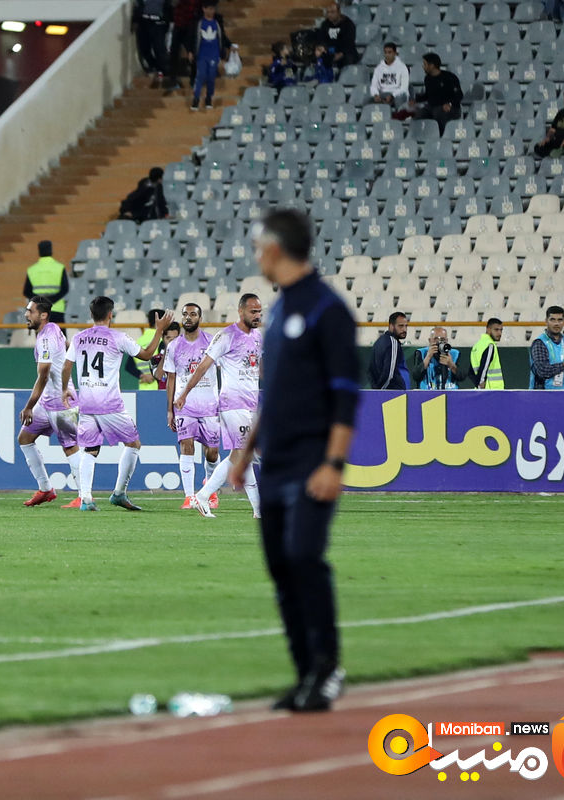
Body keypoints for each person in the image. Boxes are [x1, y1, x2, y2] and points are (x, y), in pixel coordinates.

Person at [229, 209, 359, 713]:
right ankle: (305, 672)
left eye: (258, 247)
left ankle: (327, 668)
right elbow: (275, 391)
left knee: (305, 557)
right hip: (276, 461)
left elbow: (346, 395)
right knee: (281, 567)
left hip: (312, 459)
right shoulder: (280, 310)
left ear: (275, 248)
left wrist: (334, 464)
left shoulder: (328, 309)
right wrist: (245, 454)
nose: (256, 256)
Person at [61, 296, 173, 511]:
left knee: (89, 450)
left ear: (91, 314)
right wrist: (159, 330)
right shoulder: (118, 337)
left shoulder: (79, 338)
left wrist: (65, 388)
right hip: (110, 404)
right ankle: (119, 493)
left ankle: (86, 498)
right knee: (133, 444)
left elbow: (66, 366)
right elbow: (146, 355)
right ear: (110, 315)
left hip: (87, 404)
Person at [176, 295, 263, 518]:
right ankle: (203, 496)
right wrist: (185, 393)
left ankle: (258, 509)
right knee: (241, 453)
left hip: (250, 403)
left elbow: (258, 368)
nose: (257, 315)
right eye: (253, 311)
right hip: (232, 403)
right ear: (240, 311)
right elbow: (203, 366)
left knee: (244, 454)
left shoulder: (257, 336)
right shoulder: (226, 336)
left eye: (259, 311)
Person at [18, 295, 84, 509]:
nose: (26, 314)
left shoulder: (45, 339)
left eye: (31, 311)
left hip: (62, 404)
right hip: (46, 403)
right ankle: (46, 489)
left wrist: (28, 406)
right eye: (27, 310)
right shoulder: (54, 328)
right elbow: (67, 346)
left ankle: (84, 496)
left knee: (70, 447)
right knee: (25, 438)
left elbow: (44, 375)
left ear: (43, 315)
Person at [162, 303, 221, 509]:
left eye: (193, 314)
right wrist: (169, 410)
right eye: (185, 314)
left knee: (212, 452)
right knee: (186, 447)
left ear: (200, 318)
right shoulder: (174, 346)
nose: (188, 318)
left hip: (210, 405)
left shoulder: (212, 342)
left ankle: (210, 489)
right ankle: (189, 497)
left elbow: (223, 370)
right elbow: (171, 379)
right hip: (184, 406)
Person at [189, 0, 229, 111]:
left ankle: (208, 98)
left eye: (213, 9)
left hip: (214, 55)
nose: (212, 11)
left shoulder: (217, 23)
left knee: (211, 77)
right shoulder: (198, 23)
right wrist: (190, 51)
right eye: (210, 9)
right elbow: (192, 37)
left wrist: (226, 50)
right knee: (200, 76)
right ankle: (196, 99)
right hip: (202, 55)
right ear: (204, 9)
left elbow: (222, 38)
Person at [529, 305, 564, 390]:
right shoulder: (540, 342)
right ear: (546, 321)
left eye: (560, 320)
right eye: (552, 320)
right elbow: (542, 370)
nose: (556, 323)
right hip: (544, 393)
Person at [410, 54, 462, 134]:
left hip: (451, 108)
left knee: (438, 112)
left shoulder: (449, 77)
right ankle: (418, 134)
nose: (423, 66)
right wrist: (415, 100)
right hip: (432, 107)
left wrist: (450, 104)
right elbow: (428, 95)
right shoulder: (427, 78)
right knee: (416, 114)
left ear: (432, 66)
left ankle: (441, 135)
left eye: (425, 64)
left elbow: (459, 95)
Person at [23, 241, 70, 326]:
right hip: (56, 309)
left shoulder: (32, 270)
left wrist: (40, 302)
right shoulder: (59, 268)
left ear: (39, 252)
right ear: (51, 251)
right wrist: (50, 301)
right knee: (58, 334)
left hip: (38, 311)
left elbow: (26, 291)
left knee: (42, 334)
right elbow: (65, 289)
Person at [134, 0, 172, 86]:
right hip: (144, 22)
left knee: (159, 49)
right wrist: (135, 20)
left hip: (159, 23)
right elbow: (138, 6)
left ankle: (164, 73)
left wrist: (167, 21)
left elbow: (169, 7)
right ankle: (154, 67)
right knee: (144, 48)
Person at [368, 311, 409, 390]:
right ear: (391, 326)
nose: (404, 329)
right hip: (394, 393)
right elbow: (390, 373)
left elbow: (370, 371)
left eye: (406, 326)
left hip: (384, 391)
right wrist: (381, 391)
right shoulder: (393, 343)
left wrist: (375, 390)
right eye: (400, 326)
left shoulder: (379, 341)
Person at [315, 3, 358, 73]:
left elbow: (349, 43)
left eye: (332, 12)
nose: (329, 15)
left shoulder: (348, 24)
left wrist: (339, 54)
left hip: (345, 52)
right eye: (328, 12)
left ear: (339, 12)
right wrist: (320, 49)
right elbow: (321, 39)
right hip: (329, 51)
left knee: (348, 58)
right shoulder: (325, 24)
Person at [169, 0, 202, 90]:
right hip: (179, 23)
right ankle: (173, 80)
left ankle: (194, 79)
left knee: (193, 51)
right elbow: (173, 3)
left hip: (191, 25)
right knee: (174, 52)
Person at [369, 43, 409, 108]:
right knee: (369, 101)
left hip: (397, 95)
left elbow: (404, 88)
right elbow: (374, 86)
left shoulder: (402, 67)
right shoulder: (378, 68)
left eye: (389, 52)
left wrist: (392, 95)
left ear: (395, 53)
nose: (387, 55)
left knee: (399, 99)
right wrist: (376, 95)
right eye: (385, 52)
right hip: (383, 94)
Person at [470, 318, 506, 389]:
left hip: (480, 389)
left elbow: (470, 372)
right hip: (491, 390)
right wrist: (481, 385)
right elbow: (484, 366)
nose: (499, 333)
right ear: (488, 329)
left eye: (501, 330)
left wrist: (477, 386)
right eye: (496, 330)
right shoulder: (490, 345)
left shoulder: (476, 346)